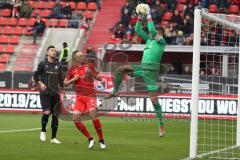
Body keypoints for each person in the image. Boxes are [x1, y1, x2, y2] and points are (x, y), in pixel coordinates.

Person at [105, 4, 166, 137]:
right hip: (141, 68)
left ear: (160, 34)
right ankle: (115, 91)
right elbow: (138, 29)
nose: (150, 33)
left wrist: (149, 14)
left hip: (151, 72)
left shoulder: (161, 42)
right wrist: (140, 17)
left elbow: (153, 30)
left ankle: (161, 124)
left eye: (154, 32)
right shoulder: (149, 40)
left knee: (154, 101)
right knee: (121, 69)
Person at [64, 50, 106, 149]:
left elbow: (100, 78)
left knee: (93, 116)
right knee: (75, 120)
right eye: (80, 56)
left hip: (90, 95)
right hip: (79, 97)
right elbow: (65, 83)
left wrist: (93, 74)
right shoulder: (72, 69)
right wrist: (73, 79)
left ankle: (101, 140)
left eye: (83, 55)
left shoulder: (89, 66)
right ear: (75, 58)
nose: (83, 57)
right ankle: (90, 138)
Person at [33, 45, 64, 144]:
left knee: (55, 115)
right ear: (47, 53)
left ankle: (53, 138)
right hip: (45, 93)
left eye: (55, 50)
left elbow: (60, 79)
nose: (54, 52)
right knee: (46, 112)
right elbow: (35, 76)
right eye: (52, 50)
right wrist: (40, 83)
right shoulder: (43, 64)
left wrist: (62, 89)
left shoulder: (58, 65)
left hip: (55, 93)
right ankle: (43, 131)